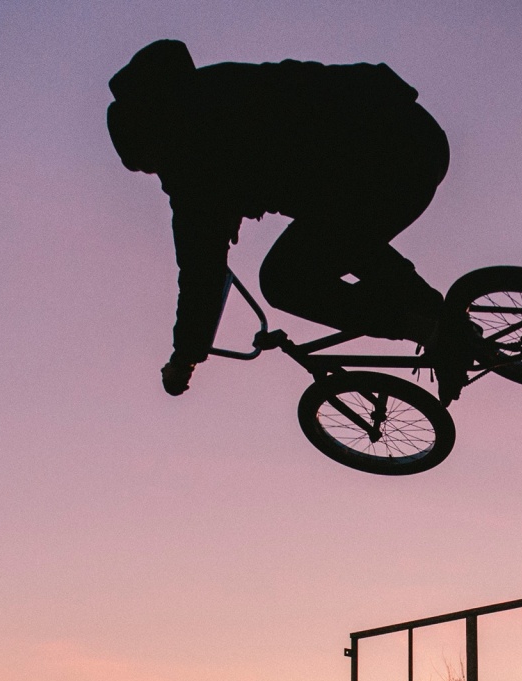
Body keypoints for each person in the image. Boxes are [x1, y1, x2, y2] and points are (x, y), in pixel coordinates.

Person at [107, 39, 474, 406]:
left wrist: (185, 359)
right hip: (413, 135)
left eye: (151, 164)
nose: (159, 174)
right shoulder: (214, 90)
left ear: (154, 134)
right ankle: (442, 322)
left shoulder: (192, 161)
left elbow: (200, 272)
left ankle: (428, 327)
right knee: (336, 237)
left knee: (285, 279)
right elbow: (266, 140)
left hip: (384, 160)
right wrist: (232, 204)